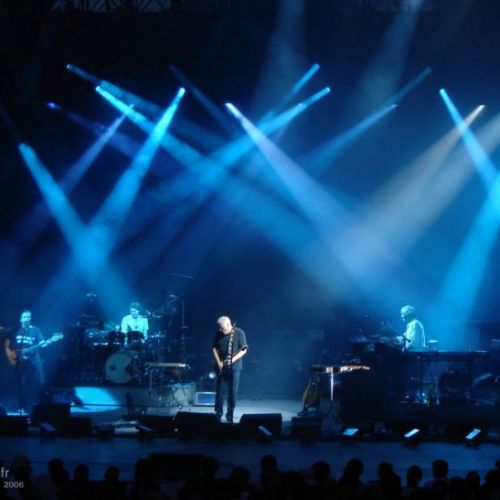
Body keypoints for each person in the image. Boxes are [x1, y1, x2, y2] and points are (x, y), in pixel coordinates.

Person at [4, 310, 46, 412]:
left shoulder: (35, 330)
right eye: (25, 317)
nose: (27, 319)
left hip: (33, 360)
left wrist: (46, 343)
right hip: (19, 360)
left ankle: (35, 405)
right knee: (21, 384)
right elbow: (7, 344)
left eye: (28, 317)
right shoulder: (16, 330)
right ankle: (21, 406)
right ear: (20, 319)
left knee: (39, 382)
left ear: (30, 319)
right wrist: (11, 354)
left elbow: (42, 343)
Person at [212, 316, 248, 423]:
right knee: (220, 392)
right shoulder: (218, 333)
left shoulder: (239, 332)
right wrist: (218, 361)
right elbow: (214, 348)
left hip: (235, 368)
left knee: (232, 392)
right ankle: (218, 415)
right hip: (221, 367)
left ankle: (230, 415)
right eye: (219, 327)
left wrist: (233, 359)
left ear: (228, 324)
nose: (220, 330)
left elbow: (244, 349)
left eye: (222, 328)